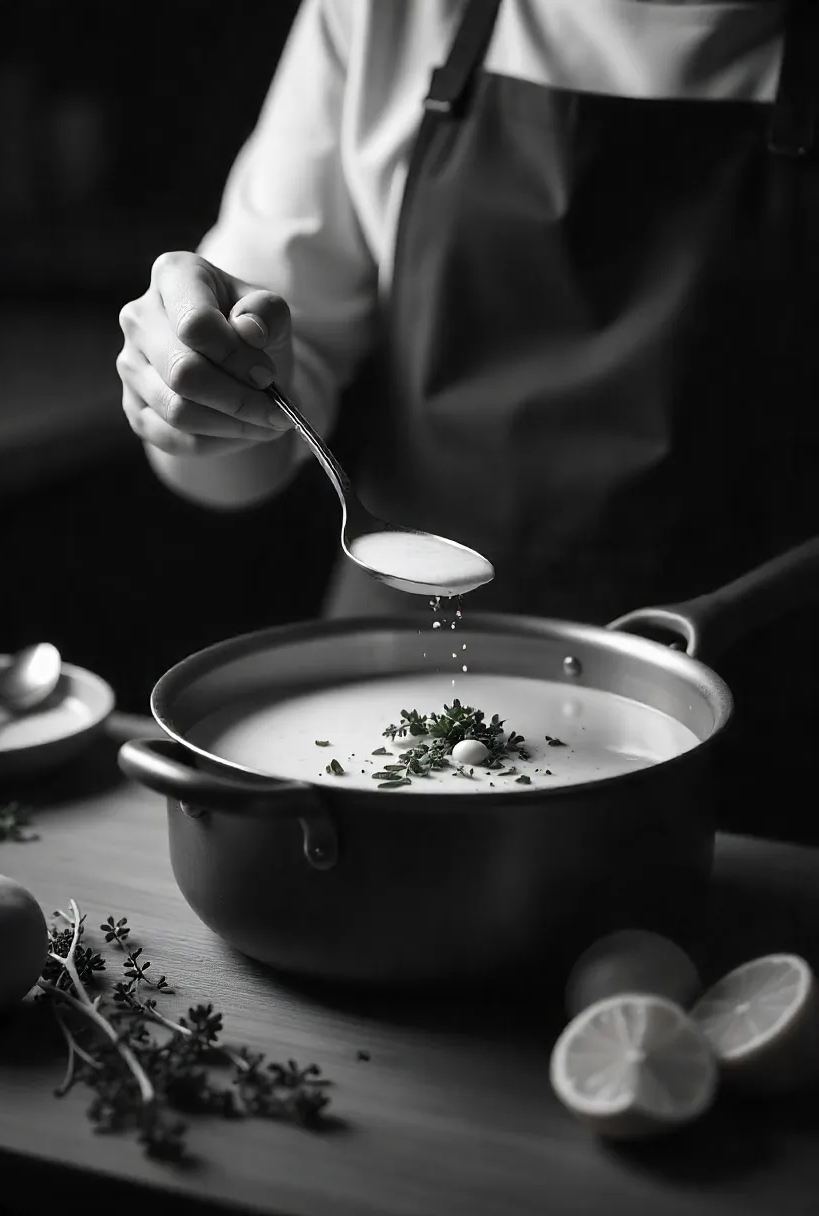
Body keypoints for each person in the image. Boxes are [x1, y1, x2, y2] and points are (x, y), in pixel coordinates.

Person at [117, 0, 818, 837]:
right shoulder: (388, 13)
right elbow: (241, 449)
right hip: (376, 728)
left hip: (767, 728)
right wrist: (196, 396)